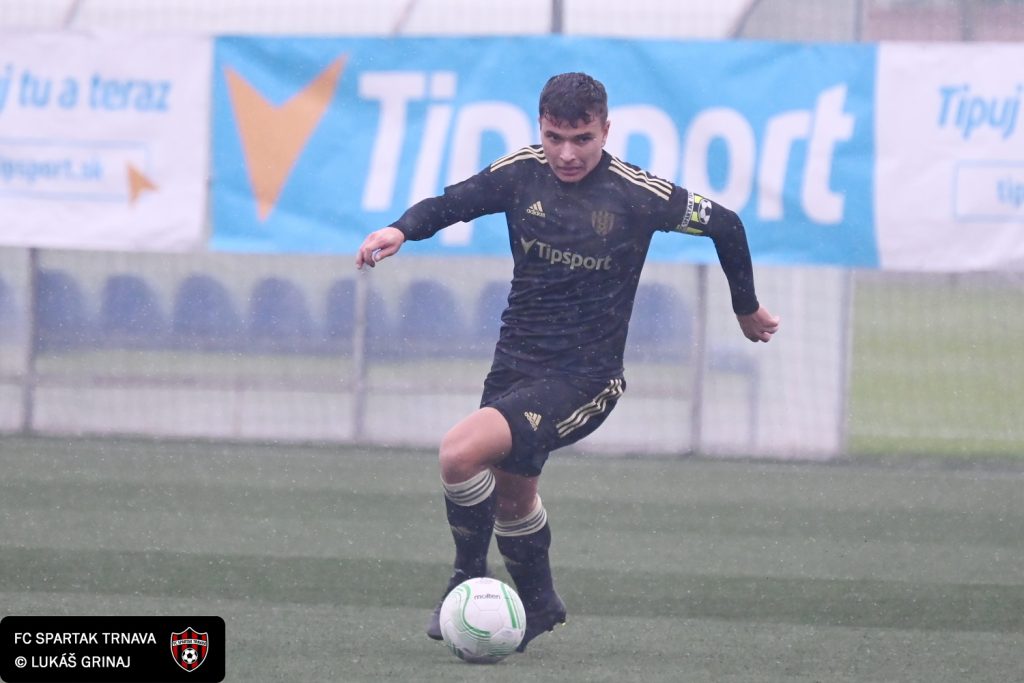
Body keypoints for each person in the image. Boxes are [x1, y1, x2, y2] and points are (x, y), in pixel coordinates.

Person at [355, 72, 779, 652]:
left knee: (458, 453)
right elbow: (452, 204)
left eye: (582, 139)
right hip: (514, 365)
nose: (567, 153)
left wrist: (745, 307)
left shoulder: (636, 193)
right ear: (541, 128)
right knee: (513, 497)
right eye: (554, 137)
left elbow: (725, 224)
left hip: (586, 379)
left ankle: (466, 578)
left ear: (606, 130)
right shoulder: (521, 173)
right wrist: (401, 229)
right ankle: (540, 602)